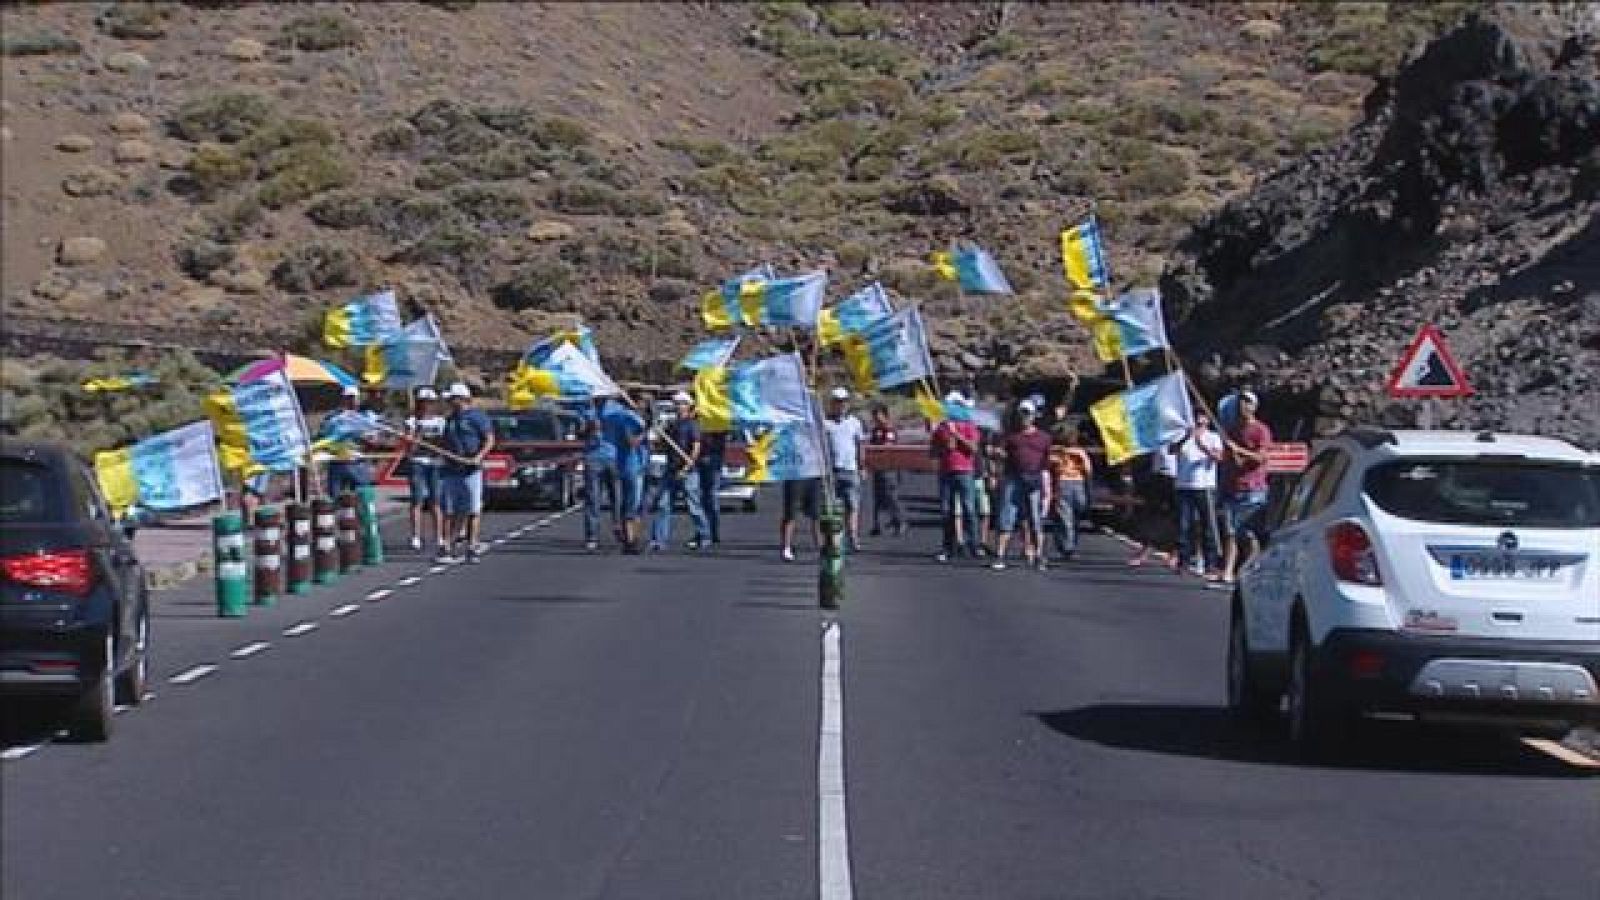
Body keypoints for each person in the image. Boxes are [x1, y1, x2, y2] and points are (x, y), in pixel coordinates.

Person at [1216, 391, 1273, 587]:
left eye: (1248, 402)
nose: (1243, 406)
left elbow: (1261, 458)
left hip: (1253, 490)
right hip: (1233, 488)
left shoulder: (1261, 430)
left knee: (1249, 535)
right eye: (1241, 402)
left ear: (1254, 406)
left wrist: (1239, 450)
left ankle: (1251, 572)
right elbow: (1231, 461)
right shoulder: (1232, 431)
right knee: (1230, 532)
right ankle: (1228, 571)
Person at [438, 382, 494, 564]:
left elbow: (489, 440)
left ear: (460, 399)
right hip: (451, 470)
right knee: (449, 509)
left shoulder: (477, 417)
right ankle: (447, 546)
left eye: (451, 399)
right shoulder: (450, 420)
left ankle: (472, 545)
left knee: (472, 509)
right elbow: (444, 442)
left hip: (471, 471)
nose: (448, 402)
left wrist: (478, 456)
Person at [992, 399, 1051, 570]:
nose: (1024, 417)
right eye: (1022, 413)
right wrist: (997, 457)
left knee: (1035, 519)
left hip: (1034, 480)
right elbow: (1001, 455)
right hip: (1013, 479)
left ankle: (1039, 555)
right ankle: (1000, 555)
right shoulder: (1011, 437)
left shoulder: (1044, 438)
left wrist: (1047, 488)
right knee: (1007, 517)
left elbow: (1045, 464)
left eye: (1027, 413)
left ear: (1033, 416)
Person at [650, 392, 709, 552]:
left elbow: (696, 448)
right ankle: (659, 540)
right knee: (663, 504)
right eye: (677, 404)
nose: (679, 407)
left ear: (689, 406)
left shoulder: (693, 425)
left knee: (693, 506)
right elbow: (661, 445)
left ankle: (704, 536)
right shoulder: (671, 425)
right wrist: (659, 435)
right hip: (671, 470)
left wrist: (687, 467)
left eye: (682, 403)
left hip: (688, 471)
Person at [1169, 411, 1224, 577]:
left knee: (1208, 525)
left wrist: (1202, 445)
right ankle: (1184, 561)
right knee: (1184, 525)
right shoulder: (1182, 436)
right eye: (1196, 417)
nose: (1200, 421)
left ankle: (1211, 563)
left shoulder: (1213, 437)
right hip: (1184, 486)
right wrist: (1187, 437)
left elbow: (1219, 457)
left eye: (1203, 418)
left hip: (1205, 486)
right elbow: (1172, 450)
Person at [930, 391, 980, 563]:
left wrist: (958, 436)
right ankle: (948, 546)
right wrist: (945, 446)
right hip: (946, 471)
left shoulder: (969, 426)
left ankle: (972, 545)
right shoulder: (941, 427)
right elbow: (933, 452)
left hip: (965, 470)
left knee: (969, 509)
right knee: (946, 511)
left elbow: (973, 448)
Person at [822, 387, 866, 551]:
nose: (840, 405)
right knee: (833, 508)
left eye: (843, 402)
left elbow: (860, 445)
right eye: (837, 402)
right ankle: (835, 539)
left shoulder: (855, 423)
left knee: (852, 506)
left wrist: (862, 466)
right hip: (832, 471)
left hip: (850, 469)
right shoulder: (826, 424)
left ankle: (853, 537)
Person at [603, 397, 649, 553]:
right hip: (629, 466)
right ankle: (630, 541)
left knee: (636, 505)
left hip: (638, 465)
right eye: (641, 400)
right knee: (632, 504)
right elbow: (631, 441)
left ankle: (633, 538)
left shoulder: (634, 419)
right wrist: (644, 433)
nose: (643, 404)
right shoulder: (626, 419)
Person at [404, 387, 447, 554]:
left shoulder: (440, 422)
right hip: (417, 462)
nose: (426, 406)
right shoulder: (412, 422)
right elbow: (410, 446)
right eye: (423, 403)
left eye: (429, 403)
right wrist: (418, 434)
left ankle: (439, 536)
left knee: (435, 500)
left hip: (435, 463)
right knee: (417, 499)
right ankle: (416, 536)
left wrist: (437, 445)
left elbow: (443, 443)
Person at [1045, 425, 1093, 560]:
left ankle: (1070, 545)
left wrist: (1080, 461)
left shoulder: (1081, 452)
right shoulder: (1055, 451)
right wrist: (1059, 458)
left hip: (1078, 483)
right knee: (1065, 518)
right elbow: (1049, 464)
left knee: (1076, 517)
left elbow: (1088, 470)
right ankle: (1067, 548)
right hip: (1062, 482)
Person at [580, 397, 620, 552]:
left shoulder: (617, 409)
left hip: (614, 457)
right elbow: (580, 433)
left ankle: (619, 528)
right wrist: (589, 428)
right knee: (593, 498)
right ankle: (592, 535)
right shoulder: (587, 411)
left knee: (617, 497)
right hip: (593, 458)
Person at [321, 385, 376, 497]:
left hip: (357, 462)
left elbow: (373, 441)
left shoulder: (366, 417)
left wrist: (359, 437)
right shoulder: (334, 417)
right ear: (343, 399)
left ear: (358, 398)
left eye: (353, 397)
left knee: (363, 497)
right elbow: (325, 437)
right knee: (335, 499)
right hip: (337, 462)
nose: (350, 400)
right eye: (347, 397)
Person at [867, 404, 905, 537]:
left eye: (878, 415)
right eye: (874, 416)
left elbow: (888, 446)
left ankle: (899, 521)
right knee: (877, 497)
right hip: (877, 467)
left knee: (891, 497)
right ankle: (877, 525)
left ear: (884, 415)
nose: (876, 418)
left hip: (889, 468)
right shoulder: (875, 430)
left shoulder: (889, 430)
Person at [779, 474, 821, 562]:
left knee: (817, 515)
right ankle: (786, 547)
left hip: (814, 478)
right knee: (790, 515)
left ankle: (820, 548)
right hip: (795, 477)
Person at [697, 426, 727, 547]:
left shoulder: (718, 422)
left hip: (713, 459)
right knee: (700, 497)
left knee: (711, 496)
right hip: (697, 457)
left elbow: (720, 441)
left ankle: (712, 531)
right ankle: (703, 531)